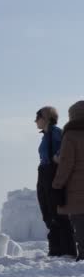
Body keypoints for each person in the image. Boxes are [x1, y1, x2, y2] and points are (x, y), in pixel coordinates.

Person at [35, 106, 76, 257]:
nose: (35, 121)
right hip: (44, 173)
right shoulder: (46, 135)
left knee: (58, 213)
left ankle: (67, 250)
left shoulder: (56, 132)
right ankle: (56, 249)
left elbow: (64, 151)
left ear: (46, 118)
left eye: (37, 118)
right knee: (47, 212)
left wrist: (56, 158)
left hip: (52, 174)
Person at [53, 101, 84, 261]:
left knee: (80, 222)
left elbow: (66, 163)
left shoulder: (70, 135)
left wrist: (57, 185)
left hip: (77, 188)